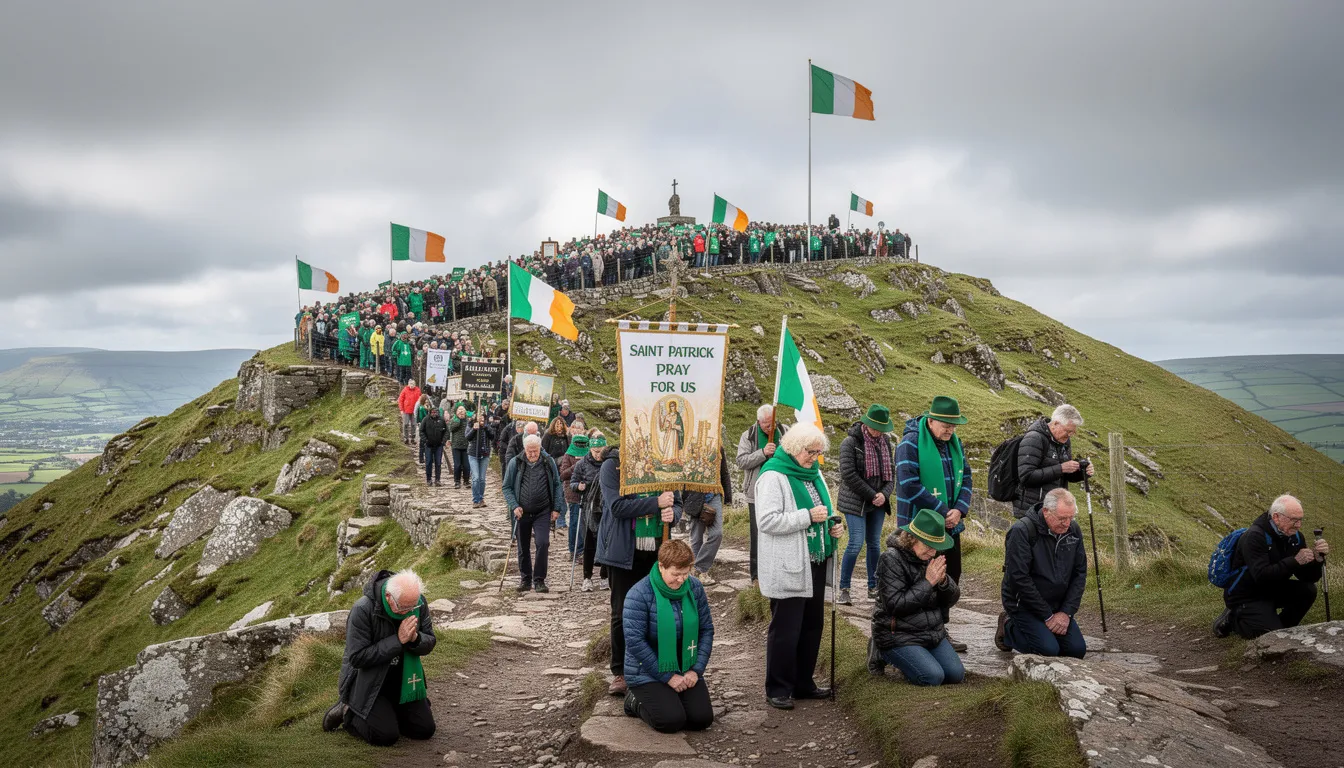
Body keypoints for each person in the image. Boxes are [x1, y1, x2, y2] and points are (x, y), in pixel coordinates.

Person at [755, 422, 845, 710]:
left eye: (819, 452)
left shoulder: (813, 473)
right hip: (789, 563)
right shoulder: (773, 476)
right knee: (786, 628)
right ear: (793, 448)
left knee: (811, 625)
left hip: (815, 561)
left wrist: (832, 526)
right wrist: (807, 516)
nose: (814, 457)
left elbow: (824, 513)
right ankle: (778, 688)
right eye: (810, 451)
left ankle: (804, 683)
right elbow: (767, 521)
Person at [596, 444, 681, 696]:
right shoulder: (613, 465)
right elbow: (617, 507)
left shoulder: (666, 464)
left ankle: (653, 667)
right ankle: (620, 671)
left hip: (657, 550)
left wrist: (672, 514)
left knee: (657, 610)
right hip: (623, 550)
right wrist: (656, 502)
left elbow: (677, 503)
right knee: (622, 612)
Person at [324, 569, 436, 745]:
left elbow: (430, 641)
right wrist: (398, 640)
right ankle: (348, 711)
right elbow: (357, 658)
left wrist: (415, 639)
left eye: (412, 607)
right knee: (385, 737)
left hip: (404, 680)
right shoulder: (362, 609)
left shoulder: (418, 603)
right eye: (403, 607)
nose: (408, 611)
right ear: (389, 597)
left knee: (424, 730)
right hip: (370, 682)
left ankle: (390, 713)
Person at [896, 395, 972, 650]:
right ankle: (916, 631)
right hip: (919, 527)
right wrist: (942, 509)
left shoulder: (954, 443)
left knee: (949, 575)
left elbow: (967, 477)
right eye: (945, 424)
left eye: (954, 425)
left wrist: (959, 509)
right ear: (930, 420)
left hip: (950, 524)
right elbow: (908, 486)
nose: (950, 429)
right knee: (920, 578)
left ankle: (941, 628)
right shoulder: (910, 443)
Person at [621, 540, 715, 733]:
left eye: (685, 573)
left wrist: (695, 670)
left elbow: (706, 630)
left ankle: (673, 698)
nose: (681, 580)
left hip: (685, 666)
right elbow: (635, 642)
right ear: (661, 566)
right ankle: (633, 700)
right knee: (671, 721)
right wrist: (667, 677)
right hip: (646, 671)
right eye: (675, 574)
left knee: (701, 719)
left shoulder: (695, 588)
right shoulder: (638, 594)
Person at [868, 510, 965, 686]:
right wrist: (928, 583)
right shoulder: (890, 559)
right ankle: (880, 651)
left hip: (931, 632)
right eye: (927, 545)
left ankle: (917, 657)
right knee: (932, 677)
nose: (932, 552)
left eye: (935, 546)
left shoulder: (929, 558)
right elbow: (894, 605)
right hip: (897, 634)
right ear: (912, 538)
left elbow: (951, 600)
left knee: (955, 674)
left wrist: (943, 583)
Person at [1215, 494, 1330, 639]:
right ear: (1276, 517)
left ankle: (1281, 628)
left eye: (1300, 520)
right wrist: (1295, 561)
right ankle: (1234, 617)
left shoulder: (1295, 537)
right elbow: (1262, 577)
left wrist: (1318, 560)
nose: (1299, 525)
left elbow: (1308, 577)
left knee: (1308, 590)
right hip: (1248, 595)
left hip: (1273, 588)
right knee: (1265, 635)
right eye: (1294, 520)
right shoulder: (1254, 537)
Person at [994, 488, 1088, 658]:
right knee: (1048, 651)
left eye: (1071, 517)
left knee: (1076, 651)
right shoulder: (1021, 531)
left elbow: (1079, 573)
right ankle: (1008, 627)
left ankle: (1044, 630)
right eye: (1062, 518)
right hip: (1024, 604)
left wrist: (1066, 612)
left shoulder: (1073, 530)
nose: (1067, 524)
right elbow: (1019, 578)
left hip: (1058, 605)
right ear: (1046, 512)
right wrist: (1047, 616)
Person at [837, 404, 897, 605]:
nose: (878, 431)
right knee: (855, 543)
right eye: (875, 427)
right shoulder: (850, 442)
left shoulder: (885, 442)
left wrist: (884, 494)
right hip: (856, 501)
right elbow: (849, 475)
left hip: (878, 501)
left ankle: (874, 587)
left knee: (874, 543)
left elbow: (891, 474)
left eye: (882, 428)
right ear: (866, 423)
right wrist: (873, 494)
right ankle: (844, 588)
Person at [501, 435, 564, 592]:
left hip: (543, 510)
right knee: (523, 546)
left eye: (535, 451)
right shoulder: (516, 462)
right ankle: (526, 579)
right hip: (521, 512)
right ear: (524, 449)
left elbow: (557, 484)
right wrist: (514, 506)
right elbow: (506, 487)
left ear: (540, 448)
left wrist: (556, 508)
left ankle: (540, 579)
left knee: (543, 543)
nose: (533, 454)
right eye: (529, 451)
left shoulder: (548, 461)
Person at [1014, 404, 1095, 519]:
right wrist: (1061, 468)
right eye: (1068, 431)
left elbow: (1065, 475)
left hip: (1055, 510)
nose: (1070, 435)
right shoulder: (1034, 438)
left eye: (1073, 432)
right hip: (1033, 511)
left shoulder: (1064, 442)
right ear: (1056, 423)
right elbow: (1026, 476)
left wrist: (1082, 472)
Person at [735, 404, 787, 583]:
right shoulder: (748, 435)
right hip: (756, 493)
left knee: (780, 531)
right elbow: (741, 461)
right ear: (758, 421)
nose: (770, 427)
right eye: (766, 424)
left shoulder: (784, 431)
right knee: (757, 534)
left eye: (772, 423)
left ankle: (778, 571)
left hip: (782, 492)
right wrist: (763, 453)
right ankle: (756, 576)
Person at [683, 444, 732, 584]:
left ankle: (698, 568)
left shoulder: (719, 447)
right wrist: (683, 499)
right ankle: (702, 574)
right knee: (696, 536)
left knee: (717, 533)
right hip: (694, 494)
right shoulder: (690, 445)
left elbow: (724, 472)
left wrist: (728, 497)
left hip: (714, 495)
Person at [572, 433, 609, 592]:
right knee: (588, 543)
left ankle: (604, 576)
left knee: (606, 542)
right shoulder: (582, 464)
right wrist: (578, 487)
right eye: (594, 451)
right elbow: (573, 481)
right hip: (588, 506)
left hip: (606, 507)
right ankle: (587, 577)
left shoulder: (609, 463)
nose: (597, 454)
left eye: (600, 451)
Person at [559, 434, 591, 560]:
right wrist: (576, 465)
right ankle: (574, 550)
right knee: (575, 522)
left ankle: (584, 549)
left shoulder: (590, 455)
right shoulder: (568, 455)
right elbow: (563, 475)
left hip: (588, 493)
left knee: (586, 523)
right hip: (573, 494)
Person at [464, 409, 494, 508]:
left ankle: (481, 498)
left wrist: (485, 427)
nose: (481, 417)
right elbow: (467, 437)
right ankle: (475, 499)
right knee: (475, 477)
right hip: (473, 454)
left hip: (484, 454)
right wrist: (474, 429)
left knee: (482, 479)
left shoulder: (486, 425)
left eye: (482, 416)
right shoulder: (470, 424)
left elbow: (492, 436)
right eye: (479, 415)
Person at [418, 406, 448, 487]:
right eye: (432, 412)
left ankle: (437, 479)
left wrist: (443, 440)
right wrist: (425, 440)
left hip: (439, 445)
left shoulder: (441, 420)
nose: (434, 414)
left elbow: (446, 431)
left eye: (435, 412)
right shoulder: (426, 420)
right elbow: (421, 431)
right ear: (430, 413)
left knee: (438, 463)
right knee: (428, 462)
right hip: (428, 445)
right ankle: (429, 479)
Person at [448, 405, 471, 489]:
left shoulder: (468, 420)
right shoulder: (454, 420)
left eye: (462, 410)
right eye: (459, 410)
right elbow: (451, 428)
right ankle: (457, 481)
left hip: (466, 446)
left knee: (466, 465)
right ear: (456, 412)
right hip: (456, 446)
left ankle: (466, 480)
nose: (461, 412)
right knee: (457, 465)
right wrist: (458, 420)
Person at [397, 380, 422, 445]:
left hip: (414, 410)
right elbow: (400, 400)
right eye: (410, 383)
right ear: (408, 384)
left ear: (415, 384)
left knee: (414, 424)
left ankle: (413, 438)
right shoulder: (405, 390)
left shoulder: (418, 390)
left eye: (413, 383)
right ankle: (406, 438)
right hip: (406, 410)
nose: (411, 385)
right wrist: (401, 410)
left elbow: (420, 400)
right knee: (405, 424)